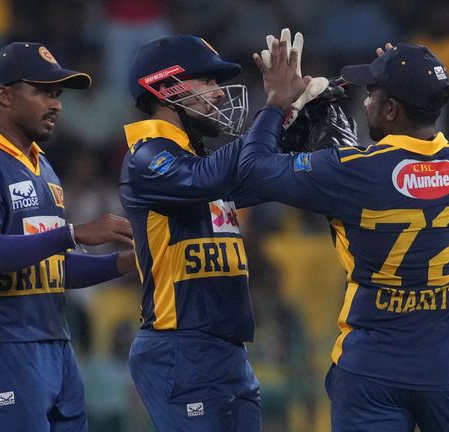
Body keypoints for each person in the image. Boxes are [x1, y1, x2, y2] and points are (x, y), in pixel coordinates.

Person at [240, 41, 449, 431]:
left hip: (371, 372)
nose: (363, 104)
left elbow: (253, 167)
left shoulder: (349, 172)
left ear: (392, 109)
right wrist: (403, 70)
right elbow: (404, 174)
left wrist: (276, 104)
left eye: (371, 93)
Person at [0, 42, 137, 432]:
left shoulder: (43, 166)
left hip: (54, 343)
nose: (57, 104)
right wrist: (72, 232)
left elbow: (54, 267)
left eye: (58, 94)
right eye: (44, 92)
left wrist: (129, 262)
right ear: (6, 96)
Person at [118, 34, 308, 431]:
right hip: (179, 345)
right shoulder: (146, 155)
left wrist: (298, 119)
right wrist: (271, 107)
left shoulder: (199, 159)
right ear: (167, 88)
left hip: (226, 348)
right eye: (209, 81)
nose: (221, 95)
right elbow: (204, 179)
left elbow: (267, 176)